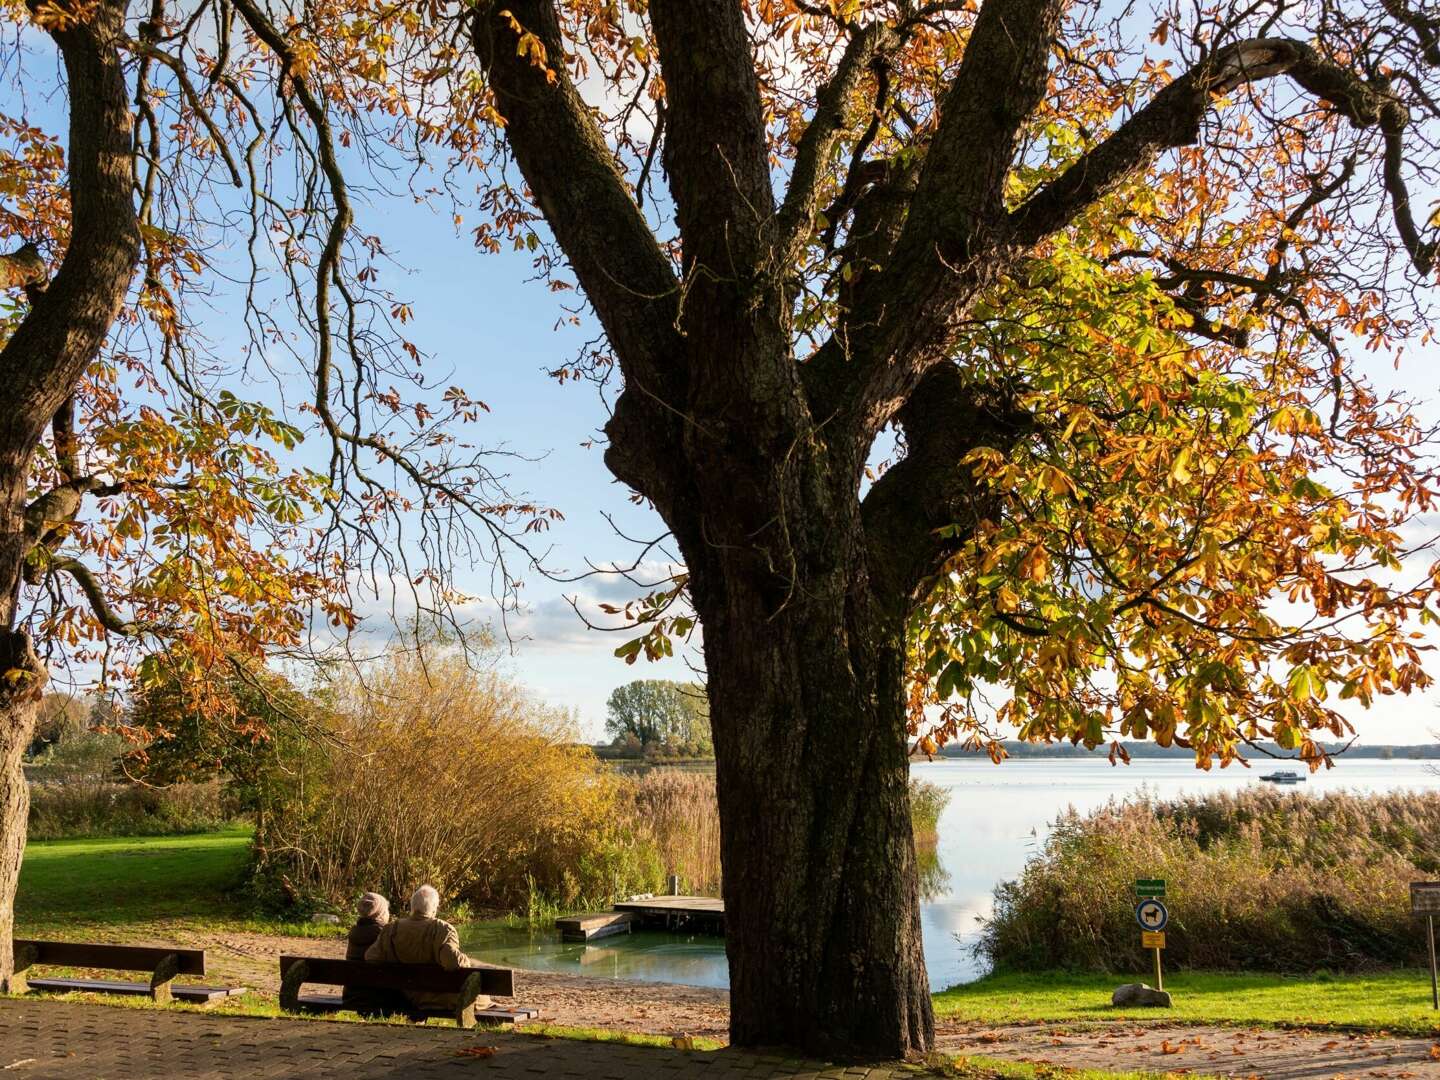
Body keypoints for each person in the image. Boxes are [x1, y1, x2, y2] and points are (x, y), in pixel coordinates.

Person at [365, 884, 488, 1014]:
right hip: (441, 997)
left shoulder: (392, 929)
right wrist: (466, 960)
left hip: (409, 996)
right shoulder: (443, 929)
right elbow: (453, 962)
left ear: (412, 907)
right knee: (483, 998)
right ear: (434, 909)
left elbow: (371, 957)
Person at [342, 892, 405, 1017]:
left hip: (352, 995)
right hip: (380, 996)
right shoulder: (385, 934)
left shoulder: (354, 932)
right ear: (381, 913)